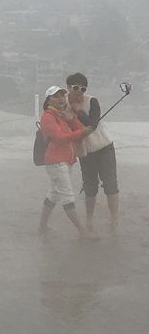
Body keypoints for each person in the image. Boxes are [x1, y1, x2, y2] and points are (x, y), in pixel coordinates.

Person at [38, 86, 96, 239]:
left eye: (63, 96)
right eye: (56, 96)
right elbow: (60, 138)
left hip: (65, 160)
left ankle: (42, 226)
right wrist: (81, 132)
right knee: (67, 196)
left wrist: (73, 117)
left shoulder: (62, 115)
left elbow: (80, 129)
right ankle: (82, 231)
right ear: (49, 99)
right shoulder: (48, 117)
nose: (61, 99)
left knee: (54, 194)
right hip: (56, 162)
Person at [67, 72, 120, 233]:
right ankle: (89, 220)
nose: (79, 91)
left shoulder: (92, 101)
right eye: (75, 87)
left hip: (105, 147)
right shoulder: (63, 105)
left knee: (110, 184)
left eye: (83, 88)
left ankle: (114, 220)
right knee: (90, 187)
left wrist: (79, 110)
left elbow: (92, 125)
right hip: (86, 152)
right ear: (68, 87)